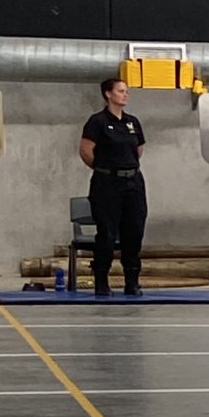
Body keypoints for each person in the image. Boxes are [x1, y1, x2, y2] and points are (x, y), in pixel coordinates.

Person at [79, 77, 146, 298]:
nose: (125, 95)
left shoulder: (132, 122)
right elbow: (86, 151)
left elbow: (139, 149)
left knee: (134, 231)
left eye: (126, 91)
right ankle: (101, 281)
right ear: (108, 94)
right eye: (120, 91)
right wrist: (105, 169)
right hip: (107, 183)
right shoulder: (97, 121)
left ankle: (132, 281)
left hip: (133, 183)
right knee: (107, 233)